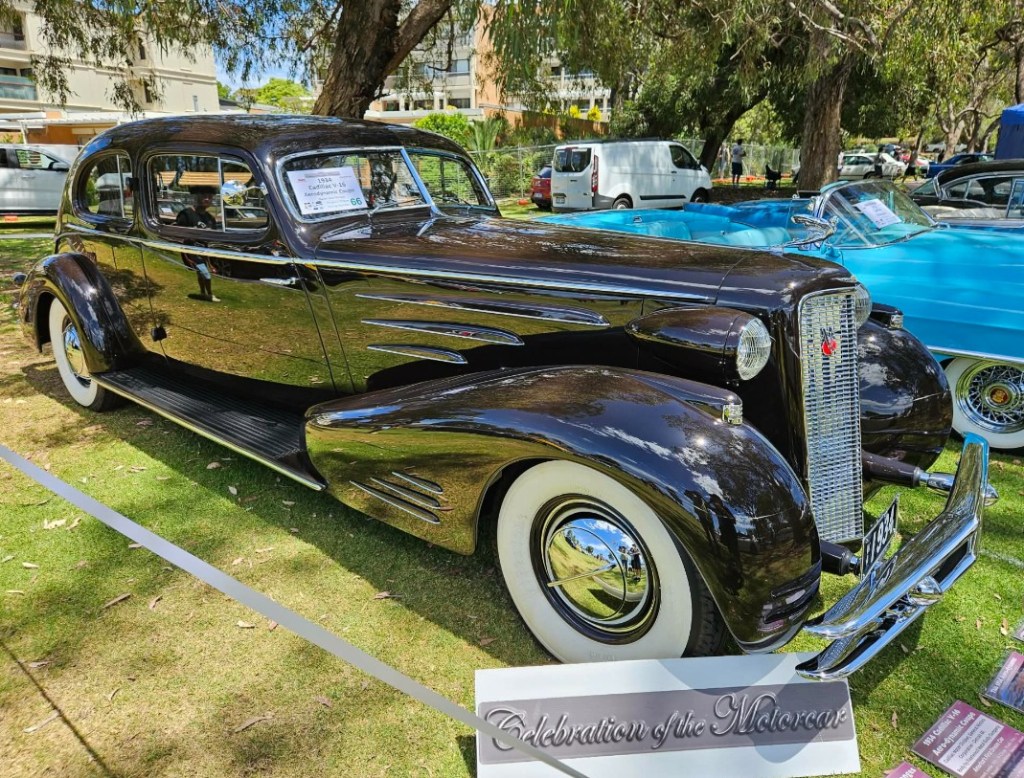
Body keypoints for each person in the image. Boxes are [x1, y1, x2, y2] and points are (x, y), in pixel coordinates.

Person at [175, 188, 220, 301]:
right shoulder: (186, 214)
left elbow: (212, 238)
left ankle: (202, 293)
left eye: (210, 197)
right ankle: (210, 295)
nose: (207, 199)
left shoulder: (210, 219)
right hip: (191, 252)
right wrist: (191, 234)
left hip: (205, 252)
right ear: (196, 197)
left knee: (201, 274)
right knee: (206, 274)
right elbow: (177, 234)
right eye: (204, 195)